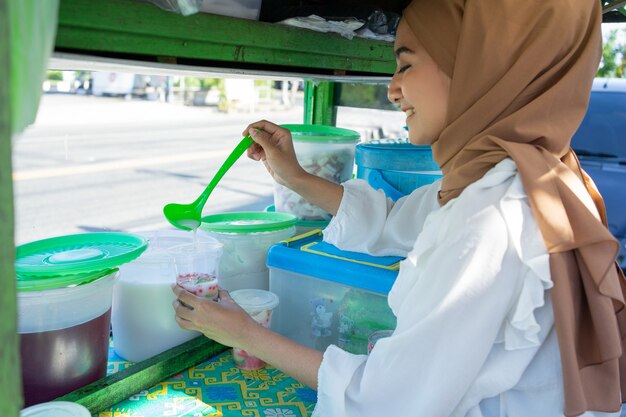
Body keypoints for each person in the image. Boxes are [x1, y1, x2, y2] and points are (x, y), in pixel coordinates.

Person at [171, 0, 626, 415]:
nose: (392, 91)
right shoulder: (518, 176)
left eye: (405, 64)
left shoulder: (491, 217)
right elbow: (393, 219)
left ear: (475, 68)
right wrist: (295, 177)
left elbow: (386, 400)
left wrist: (245, 333)